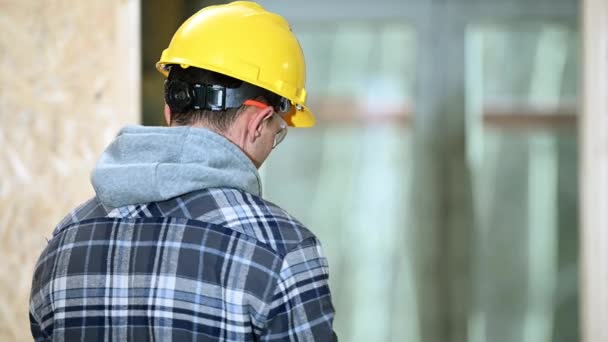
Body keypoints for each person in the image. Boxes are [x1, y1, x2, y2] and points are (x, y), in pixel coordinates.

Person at [29, 2, 337, 341]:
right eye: (276, 132)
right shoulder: (280, 250)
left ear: (169, 110)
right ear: (258, 122)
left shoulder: (65, 242)